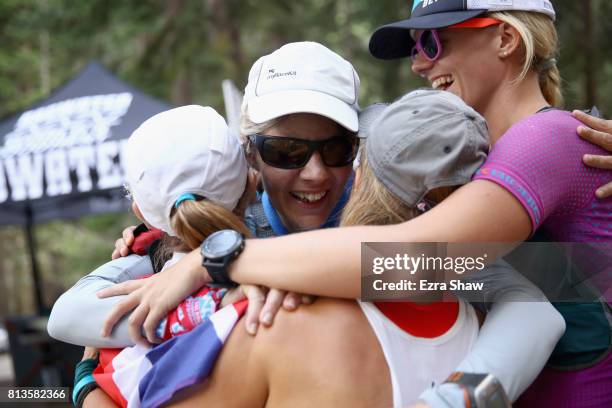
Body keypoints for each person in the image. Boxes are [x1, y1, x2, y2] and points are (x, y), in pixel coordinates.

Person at [99, 2, 611, 407]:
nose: (418, 61)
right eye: (286, 151)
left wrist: (218, 262)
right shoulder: (511, 157)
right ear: (249, 160)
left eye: (434, 40)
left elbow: (428, 265)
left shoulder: (542, 141)